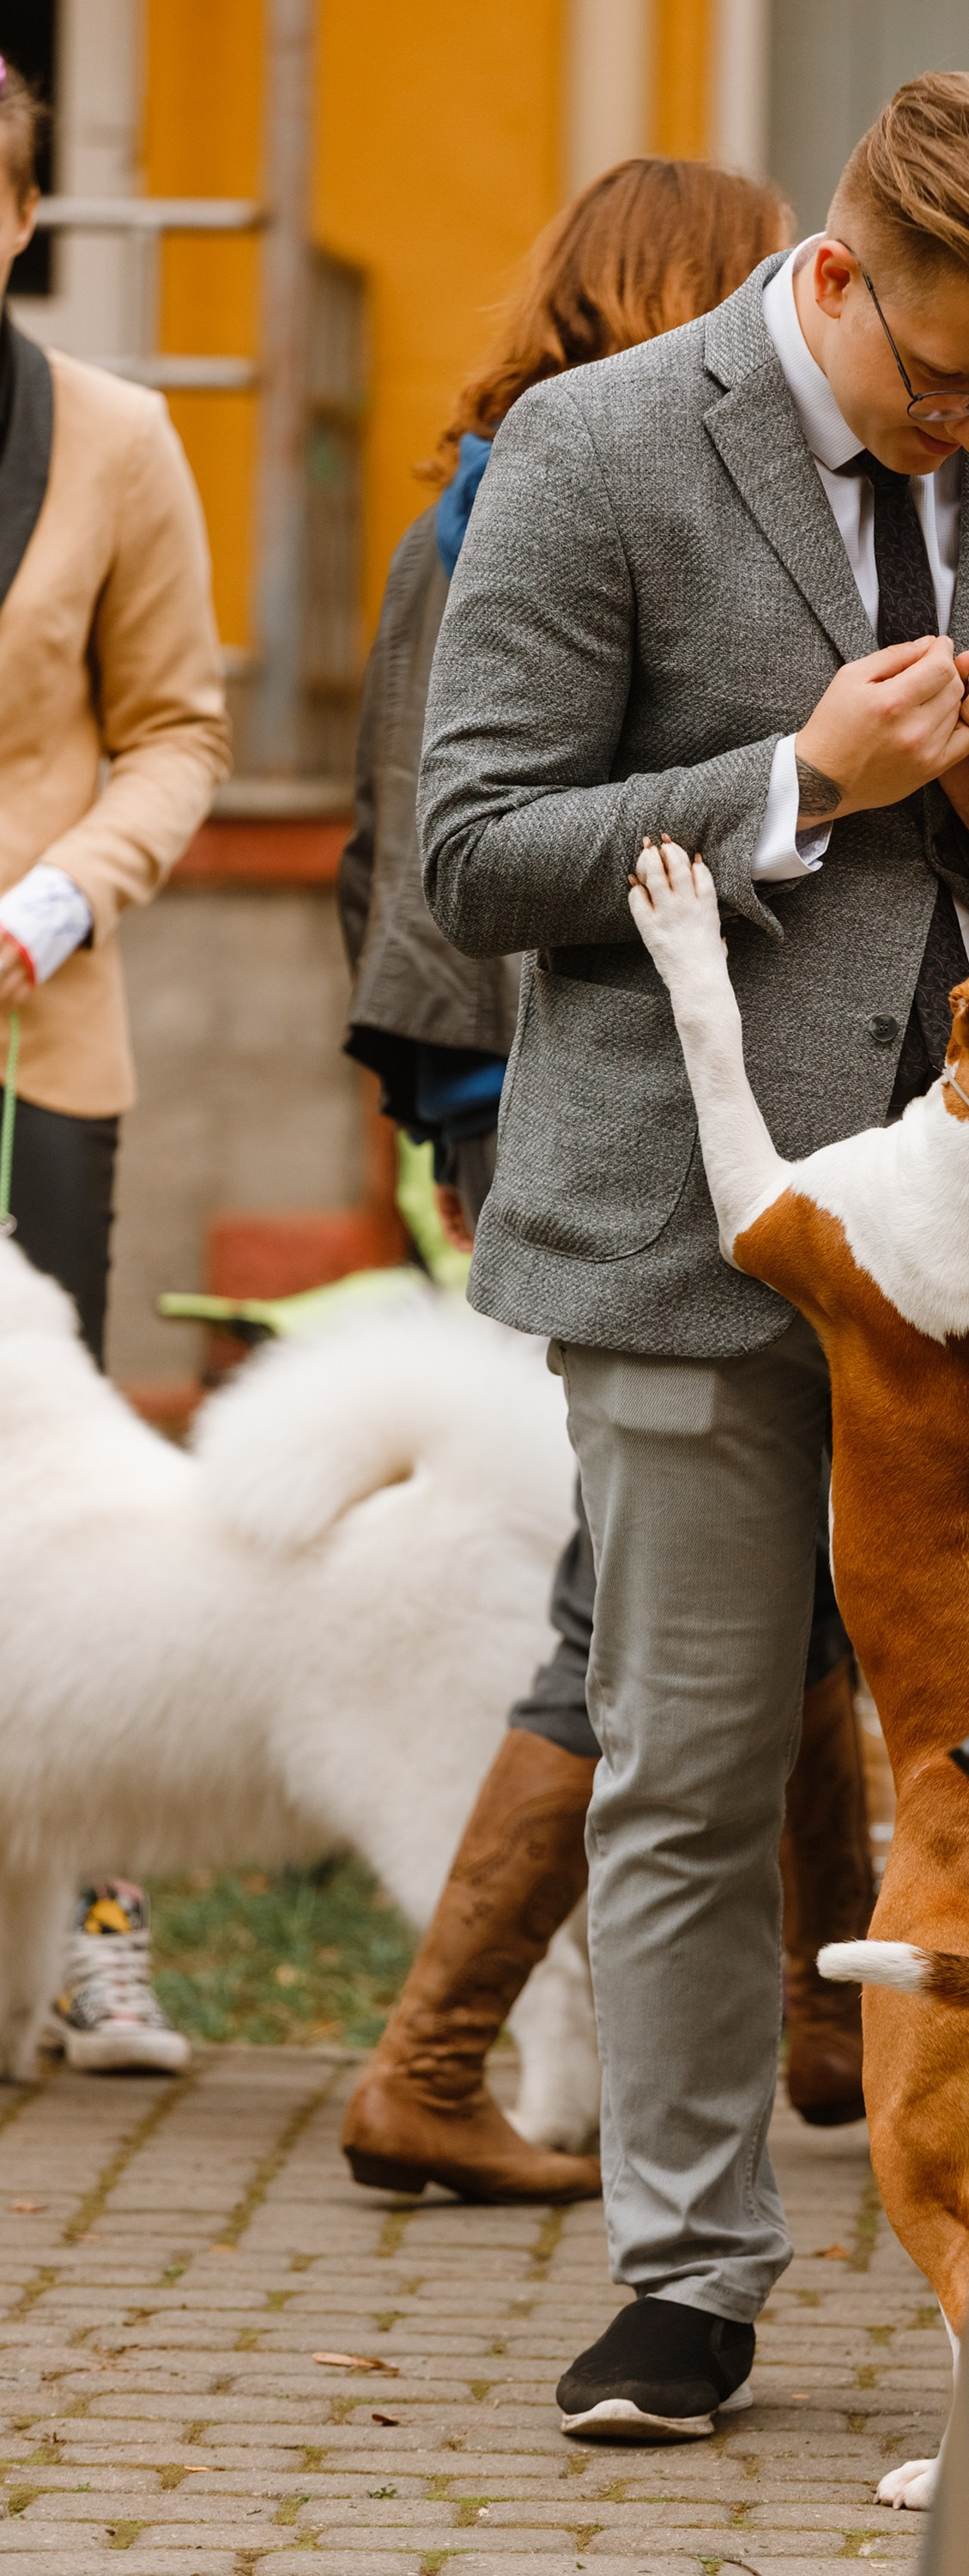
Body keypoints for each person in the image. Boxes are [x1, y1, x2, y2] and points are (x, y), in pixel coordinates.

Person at [418, 71, 969, 2441]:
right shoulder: (593, 448)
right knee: (683, 1768)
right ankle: (688, 2283)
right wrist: (796, 785)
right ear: (839, 277)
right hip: (688, 1223)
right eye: (946, 385)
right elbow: (469, 856)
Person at [336, 158, 877, 2200]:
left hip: (513, 1065)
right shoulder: (540, 497)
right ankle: (430, 2061)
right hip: (573, 1069)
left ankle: (830, 2019)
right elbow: (457, 838)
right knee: (638, 1598)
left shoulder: (463, 499)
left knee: (781, 1567)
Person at [0, 55, 229, 2076]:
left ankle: (96, 1928)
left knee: (52, 1507)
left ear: (17, 218)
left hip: (29, 1041)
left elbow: (179, 730)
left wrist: (61, 897)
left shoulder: (112, 436)